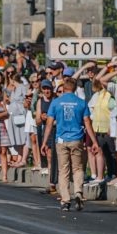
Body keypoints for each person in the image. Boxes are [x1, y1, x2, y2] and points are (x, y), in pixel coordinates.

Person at [41, 77, 100, 212]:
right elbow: (87, 123)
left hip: (61, 139)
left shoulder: (56, 102)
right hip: (77, 139)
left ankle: (65, 200)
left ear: (64, 87)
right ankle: (78, 192)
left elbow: (49, 124)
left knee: (64, 170)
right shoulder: (81, 103)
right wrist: (94, 141)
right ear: (74, 88)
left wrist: (44, 142)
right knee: (78, 168)